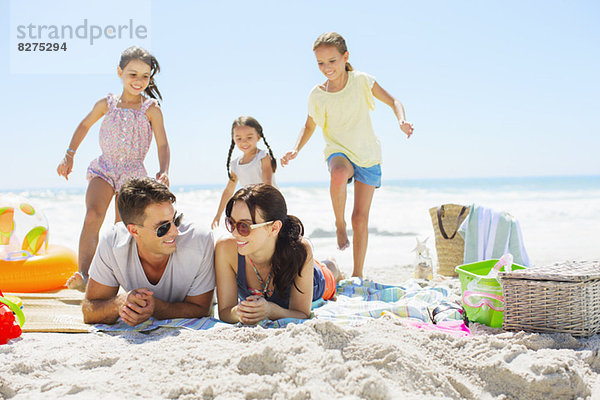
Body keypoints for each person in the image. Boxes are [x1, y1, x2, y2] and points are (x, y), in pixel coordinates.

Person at [281, 32, 414, 278]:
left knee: (360, 219)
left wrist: (402, 120)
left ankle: (358, 273)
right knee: (339, 172)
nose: (326, 68)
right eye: (320, 63)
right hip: (338, 151)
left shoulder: (362, 81)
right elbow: (309, 125)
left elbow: (394, 101)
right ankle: (338, 224)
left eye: (331, 61)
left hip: (368, 155)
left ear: (345, 57)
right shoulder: (317, 94)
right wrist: (295, 148)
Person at [57, 46, 170, 291]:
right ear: (119, 72)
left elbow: (162, 143)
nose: (139, 81)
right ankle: (84, 275)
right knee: (92, 215)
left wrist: (164, 170)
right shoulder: (107, 103)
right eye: (132, 74)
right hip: (105, 167)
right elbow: (84, 125)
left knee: (123, 228)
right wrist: (69, 155)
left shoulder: (151, 109)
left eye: (145, 76)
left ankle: (118, 280)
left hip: (133, 173)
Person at [82, 177, 215, 326]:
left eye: (176, 220)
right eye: (163, 228)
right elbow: (89, 310)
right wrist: (119, 304)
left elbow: (202, 309)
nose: (175, 231)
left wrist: (155, 308)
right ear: (134, 231)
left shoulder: (199, 241)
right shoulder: (113, 243)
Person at [215, 184, 338, 325]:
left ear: (274, 228)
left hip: (312, 277)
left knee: (330, 270)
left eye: (244, 226)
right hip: (282, 250)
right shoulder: (226, 248)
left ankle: (331, 264)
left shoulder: (301, 250)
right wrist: (240, 312)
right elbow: (225, 311)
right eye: (231, 223)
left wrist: (270, 311)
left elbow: (302, 314)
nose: (234, 233)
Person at [211, 116, 277, 229]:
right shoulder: (236, 164)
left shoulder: (262, 157)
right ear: (233, 139)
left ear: (258, 137)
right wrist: (218, 214)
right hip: (251, 206)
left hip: (269, 204)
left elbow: (267, 184)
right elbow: (228, 191)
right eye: (239, 138)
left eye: (249, 137)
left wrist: (266, 209)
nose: (244, 142)